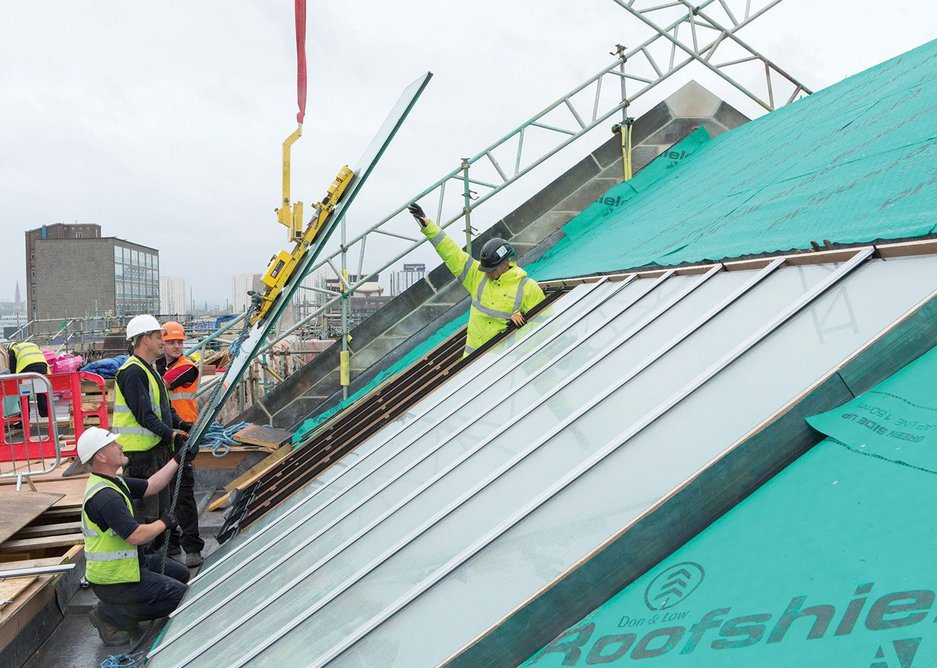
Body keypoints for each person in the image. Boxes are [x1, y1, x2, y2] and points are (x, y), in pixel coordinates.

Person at [78, 426, 192, 646]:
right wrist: (165, 522)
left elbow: (152, 485)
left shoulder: (113, 481)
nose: (120, 445)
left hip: (128, 564)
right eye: (113, 444)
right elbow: (136, 535)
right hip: (115, 579)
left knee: (181, 574)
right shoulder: (105, 497)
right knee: (179, 595)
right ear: (100, 456)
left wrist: (178, 459)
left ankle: (119, 610)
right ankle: (108, 614)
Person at [408, 202, 545, 356]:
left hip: (506, 363)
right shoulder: (478, 276)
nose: (487, 273)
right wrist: (428, 226)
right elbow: (453, 254)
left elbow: (545, 326)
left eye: (491, 270)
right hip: (471, 363)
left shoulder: (528, 288)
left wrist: (521, 325)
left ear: (504, 263)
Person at [111, 315, 190, 547]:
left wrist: (182, 426)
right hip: (139, 457)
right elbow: (144, 415)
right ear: (145, 339)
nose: (161, 342)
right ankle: (147, 565)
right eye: (158, 337)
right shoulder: (133, 372)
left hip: (154, 452)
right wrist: (172, 435)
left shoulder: (150, 370)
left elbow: (163, 407)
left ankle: (160, 560)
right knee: (146, 516)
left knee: (160, 512)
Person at [155, 321, 204, 567]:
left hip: (183, 435)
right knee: (163, 493)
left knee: (182, 493)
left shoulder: (186, 368)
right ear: (161, 343)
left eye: (179, 342)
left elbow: (159, 386)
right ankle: (171, 542)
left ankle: (192, 547)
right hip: (164, 435)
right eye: (171, 342)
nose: (176, 346)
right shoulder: (159, 366)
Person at [8, 340, 50, 418]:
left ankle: (25, 416)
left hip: (26, 368)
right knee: (41, 390)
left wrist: (14, 378)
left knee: (24, 393)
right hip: (42, 366)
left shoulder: (13, 349)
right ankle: (45, 413)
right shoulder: (33, 345)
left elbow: (12, 368)